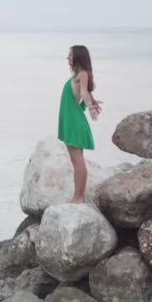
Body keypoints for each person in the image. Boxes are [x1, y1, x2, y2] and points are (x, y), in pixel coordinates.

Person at [58, 45, 102, 204]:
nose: (67, 58)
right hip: (70, 119)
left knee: (78, 160)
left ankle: (79, 197)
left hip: (75, 121)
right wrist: (93, 99)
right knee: (75, 160)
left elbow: (83, 91)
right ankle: (76, 196)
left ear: (78, 57)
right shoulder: (77, 74)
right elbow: (84, 90)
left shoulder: (82, 74)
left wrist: (90, 106)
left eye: (70, 55)